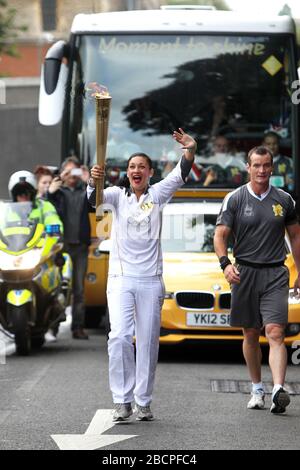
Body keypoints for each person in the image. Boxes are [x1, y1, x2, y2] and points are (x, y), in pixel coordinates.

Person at [87, 128, 196, 422]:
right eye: (132, 166)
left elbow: (181, 172)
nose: (136, 171)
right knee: (120, 336)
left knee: (147, 341)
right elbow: (94, 202)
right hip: (121, 278)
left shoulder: (158, 194)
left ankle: (143, 401)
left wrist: (190, 149)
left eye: (141, 167)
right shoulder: (116, 195)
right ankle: (121, 399)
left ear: (149, 172)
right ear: (127, 172)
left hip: (150, 279)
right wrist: (93, 180)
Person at [214, 145, 300, 414]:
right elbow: (220, 236)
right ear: (248, 168)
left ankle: (277, 390)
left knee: (275, 332)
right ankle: (256, 389)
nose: (262, 170)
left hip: (276, 272)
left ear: (272, 168)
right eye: (256, 165)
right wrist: (225, 264)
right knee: (251, 333)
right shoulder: (235, 199)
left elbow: (296, 236)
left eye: (266, 165)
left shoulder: (284, 200)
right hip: (245, 273)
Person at [47, 156, 91, 340]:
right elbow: (48, 204)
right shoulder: (59, 192)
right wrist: (56, 183)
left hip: (80, 247)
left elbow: (97, 204)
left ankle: (78, 327)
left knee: (79, 289)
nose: (72, 175)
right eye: (69, 171)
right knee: (58, 288)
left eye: (75, 171)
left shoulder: (85, 191)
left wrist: (90, 181)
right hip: (61, 247)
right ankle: (53, 326)